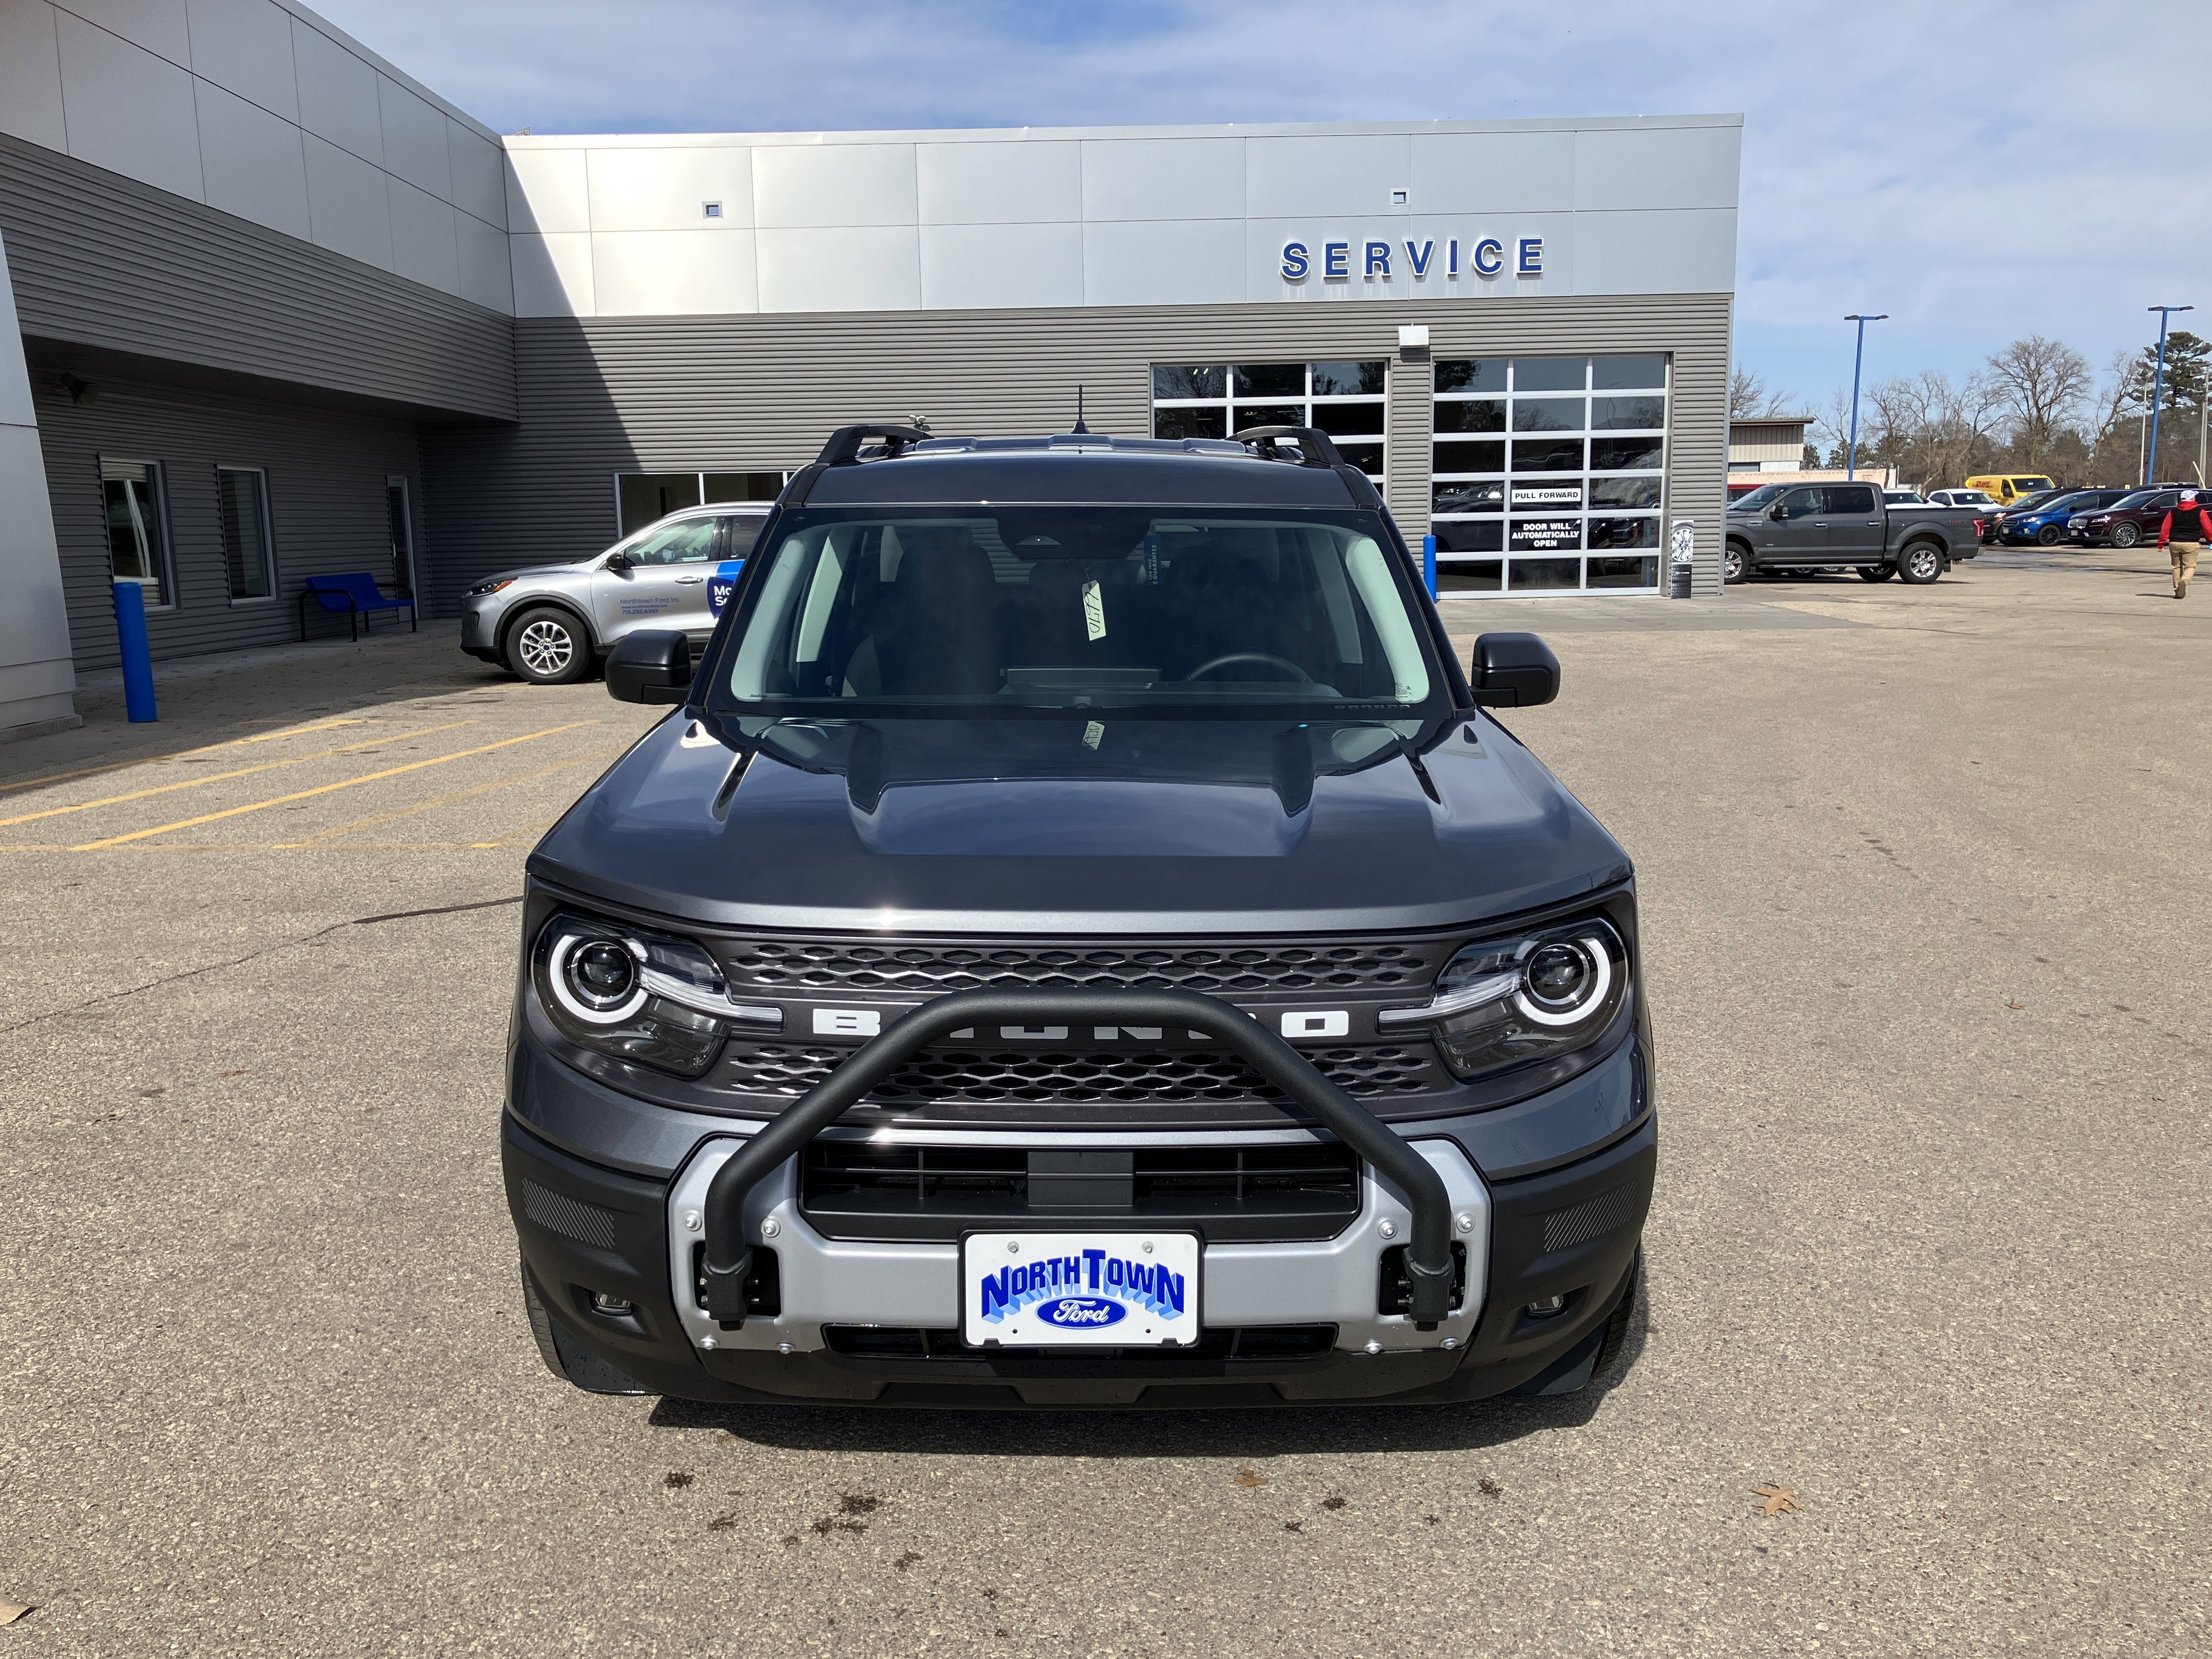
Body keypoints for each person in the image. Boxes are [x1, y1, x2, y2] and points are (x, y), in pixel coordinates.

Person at [2156, 488, 2211, 599]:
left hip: (2175, 543)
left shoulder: (2173, 512)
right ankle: (2184, 582)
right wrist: (2211, 540)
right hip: (2191, 544)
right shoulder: (2200, 512)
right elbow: (2208, 529)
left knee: (2176, 567)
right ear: (2193, 499)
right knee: (2190, 567)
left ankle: (2177, 590)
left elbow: (2165, 528)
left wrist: (2161, 543)